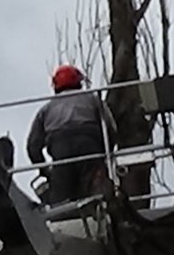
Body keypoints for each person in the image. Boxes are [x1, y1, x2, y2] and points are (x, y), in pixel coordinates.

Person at [26, 64, 113, 205]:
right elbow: (110, 128)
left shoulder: (46, 110)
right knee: (98, 195)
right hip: (89, 148)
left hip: (61, 153)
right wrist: (105, 154)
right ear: (78, 82)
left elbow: (32, 146)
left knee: (61, 202)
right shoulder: (93, 100)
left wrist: (44, 170)